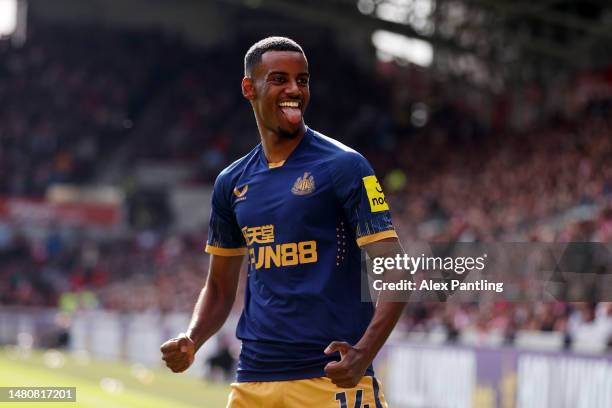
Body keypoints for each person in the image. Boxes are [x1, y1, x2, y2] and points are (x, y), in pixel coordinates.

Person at [161, 36, 405, 408]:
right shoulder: (231, 182)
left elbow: (397, 272)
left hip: (329, 383)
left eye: (302, 80)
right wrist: (192, 338)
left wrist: (364, 352)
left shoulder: (343, 166)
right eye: (279, 79)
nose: (294, 89)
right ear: (249, 88)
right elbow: (220, 288)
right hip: (253, 383)